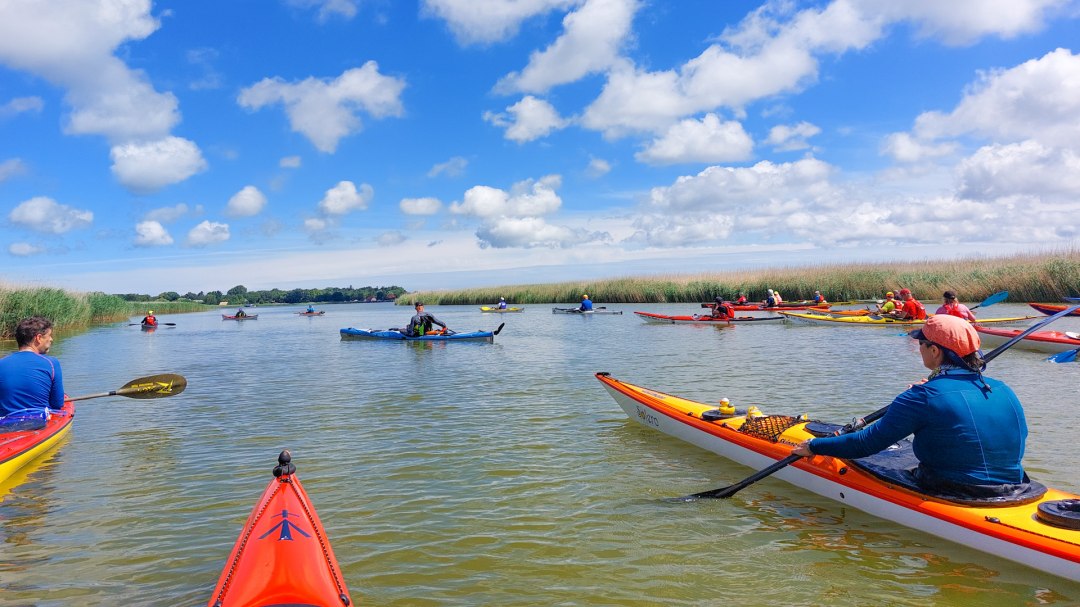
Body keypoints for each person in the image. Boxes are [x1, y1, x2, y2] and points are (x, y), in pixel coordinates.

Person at [792, 314, 1030, 495]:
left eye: (921, 344)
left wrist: (814, 446)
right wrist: (934, 387)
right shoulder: (1002, 388)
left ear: (935, 350)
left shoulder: (922, 396)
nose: (919, 349)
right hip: (1016, 485)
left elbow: (866, 444)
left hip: (955, 488)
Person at [0, 317, 66, 432]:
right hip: (37, 425)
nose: (51, 339)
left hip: (4, 427)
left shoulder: (1, 363)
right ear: (39, 338)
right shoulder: (51, 363)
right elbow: (57, 404)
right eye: (49, 335)